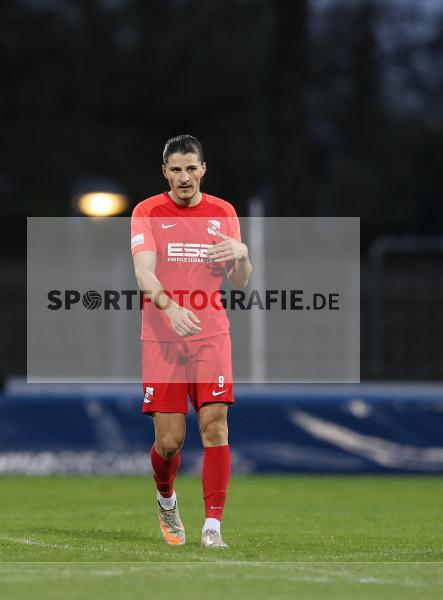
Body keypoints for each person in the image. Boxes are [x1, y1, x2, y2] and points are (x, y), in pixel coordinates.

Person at [130, 135, 252, 548]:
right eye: (176, 169)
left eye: (191, 168)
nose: (184, 177)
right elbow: (144, 274)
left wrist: (242, 251)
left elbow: (240, 280)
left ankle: (212, 526)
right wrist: (170, 307)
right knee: (170, 442)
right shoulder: (147, 212)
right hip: (162, 336)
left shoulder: (223, 212)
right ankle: (166, 496)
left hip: (211, 332)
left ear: (203, 169)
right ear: (164, 172)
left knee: (215, 426)